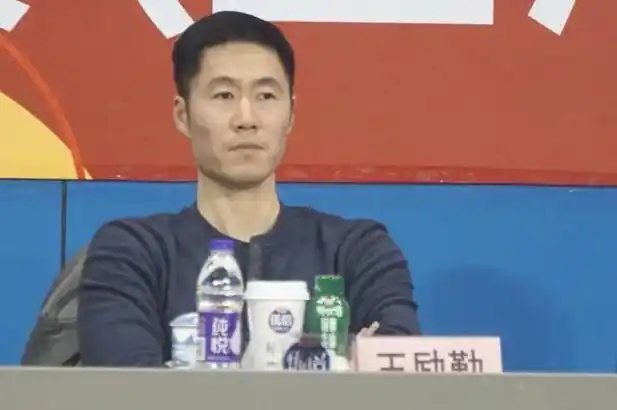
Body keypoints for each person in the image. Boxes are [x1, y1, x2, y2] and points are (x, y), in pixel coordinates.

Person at [77, 10, 421, 367]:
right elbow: (128, 386)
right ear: (183, 116)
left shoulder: (356, 251)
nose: (247, 119)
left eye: (266, 96)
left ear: (291, 114)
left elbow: (395, 369)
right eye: (224, 95)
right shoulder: (133, 252)